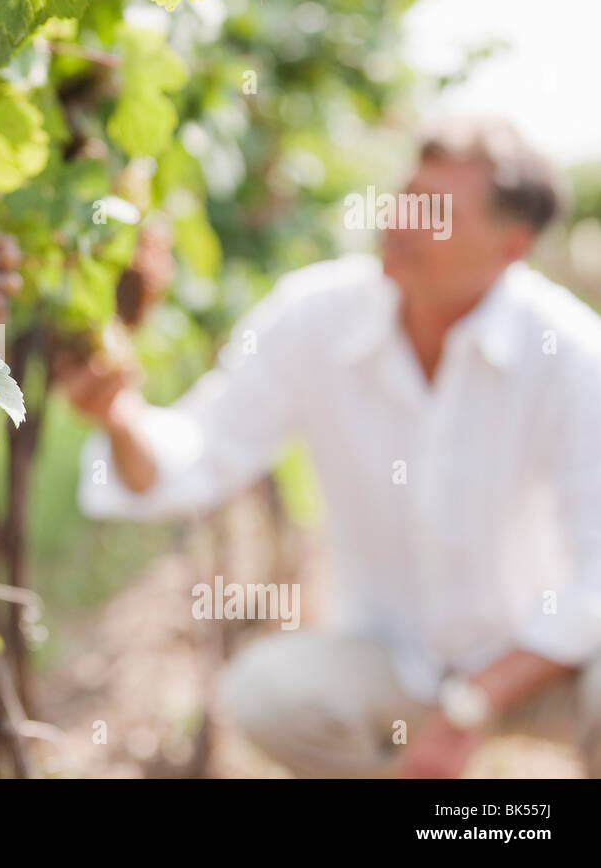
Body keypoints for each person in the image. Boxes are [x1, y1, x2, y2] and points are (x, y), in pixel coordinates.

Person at [60, 118, 601, 778]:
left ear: (509, 245)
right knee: (270, 697)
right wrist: (119, 417)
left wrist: (472, 705)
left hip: (543, 665)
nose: (399, 219)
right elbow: (200, 454)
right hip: (398, 663)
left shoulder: (570, 357)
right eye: (405, 194)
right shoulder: (315, 316)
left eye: (434, 211)